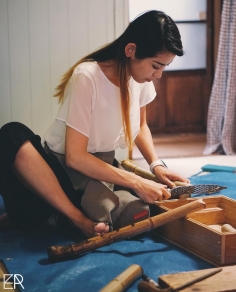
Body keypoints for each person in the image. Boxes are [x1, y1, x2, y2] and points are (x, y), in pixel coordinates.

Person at [0, 10, 189, 238]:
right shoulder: (87, 76)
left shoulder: (141, 78)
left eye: (164, 67)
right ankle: (75, 217)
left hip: (99, 168)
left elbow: (140, 126)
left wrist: (156, 166)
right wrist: (138, 182)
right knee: (11, 134)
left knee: (139, 209)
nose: (159, 75)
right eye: (156, 66)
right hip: (60, 171)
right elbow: (75, 157)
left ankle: (54, 215)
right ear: (131, 50)